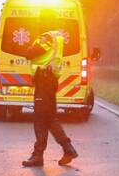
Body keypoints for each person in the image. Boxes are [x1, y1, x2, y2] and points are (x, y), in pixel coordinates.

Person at [21, 10, 78, 167]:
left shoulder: (46, 37)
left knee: (41, 118)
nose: (38, 23)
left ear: (45, 21)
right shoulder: (58, 36)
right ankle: (68, 149)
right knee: (50, 117)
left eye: (40, 20)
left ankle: (38, 155)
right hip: (50, 80)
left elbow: (30, 53)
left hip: (44, 81)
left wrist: (30, 45)